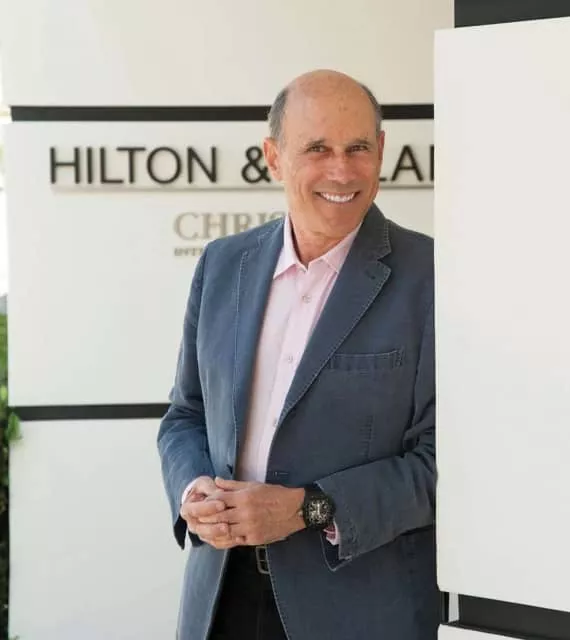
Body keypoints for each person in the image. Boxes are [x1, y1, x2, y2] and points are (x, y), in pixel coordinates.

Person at [157, 69, 438, 640]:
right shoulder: (222, 265)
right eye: (317, 149)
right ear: (274, 158)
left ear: (382, 150)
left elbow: (443, 462)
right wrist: (192, 493)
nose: (342, 171)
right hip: (220, 600)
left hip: (359, 613)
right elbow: (185, 416)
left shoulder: (431, 276)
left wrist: (309, 508)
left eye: (357, 148)